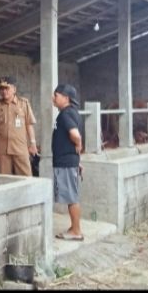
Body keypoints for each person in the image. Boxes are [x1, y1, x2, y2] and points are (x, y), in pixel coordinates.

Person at [0, 76, 38, 176]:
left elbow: (29, 124)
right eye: (1, 89)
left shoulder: (24, 103)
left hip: (20, 147)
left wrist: (33, 143)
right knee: (4, 178)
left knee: (25, 177)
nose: (4, 91)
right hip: (2, 149)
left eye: (7, 88)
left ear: (14, 89)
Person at [52, 83, 84, 241]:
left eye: (56, 95)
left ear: (65, 98)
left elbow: (75, 135)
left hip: (66, 161)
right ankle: (74, 228)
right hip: (69, 160)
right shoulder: (72, 112)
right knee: (72, 196)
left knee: (71, 197)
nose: (53, 98)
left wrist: (78, 144)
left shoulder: (65, 114)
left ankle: (76, 231)